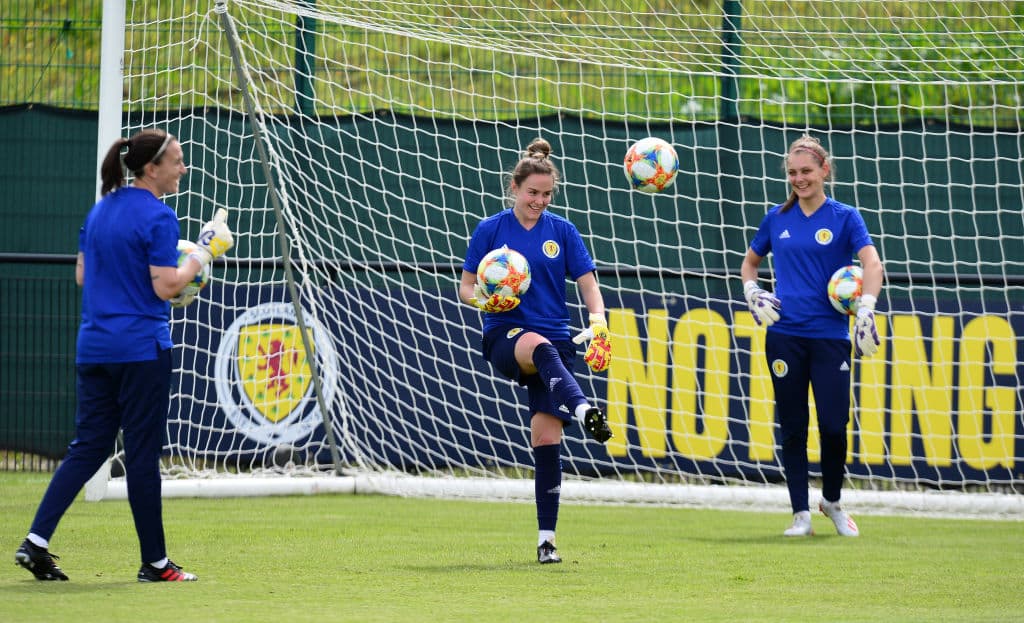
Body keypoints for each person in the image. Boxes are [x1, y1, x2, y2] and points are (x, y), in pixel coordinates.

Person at [14, 129, 234, 582]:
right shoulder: (158, 217)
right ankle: (155, 563)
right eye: (176, 160)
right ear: (152, 168)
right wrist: (203, 252)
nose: (183, 168)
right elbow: (166, 286)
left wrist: (164, 267)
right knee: (141, 455)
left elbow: (82, 275)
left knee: (89, 446)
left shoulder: (99, 212)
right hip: (139, 351)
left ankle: (36, 540)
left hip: (94, 347)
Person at [459, 137, 613, 564]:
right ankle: (586, 411)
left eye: (546, 194)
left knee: (546, 439)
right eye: (532, 193)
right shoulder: (491, 229)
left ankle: (547, 542)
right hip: (506, 335)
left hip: (557, 342)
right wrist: (485, 302)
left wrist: (598, 321)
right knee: (538, 344)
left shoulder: (562, 231)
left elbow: (589, 287)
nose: (539, 201)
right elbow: (467, 288)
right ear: (515, 188)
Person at [740, 134, 883, 538]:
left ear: (824, 171)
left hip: (830, 336)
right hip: (784, 335)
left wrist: (867, 307)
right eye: (792, 173)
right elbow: (749, 265)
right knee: (793, 426)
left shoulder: (845, 217)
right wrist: (753, 292)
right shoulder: (776, 219)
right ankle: (800, 513)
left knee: (835, 425)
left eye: (806, 171)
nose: (799, 179)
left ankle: (832, 501)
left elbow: (872, 264)